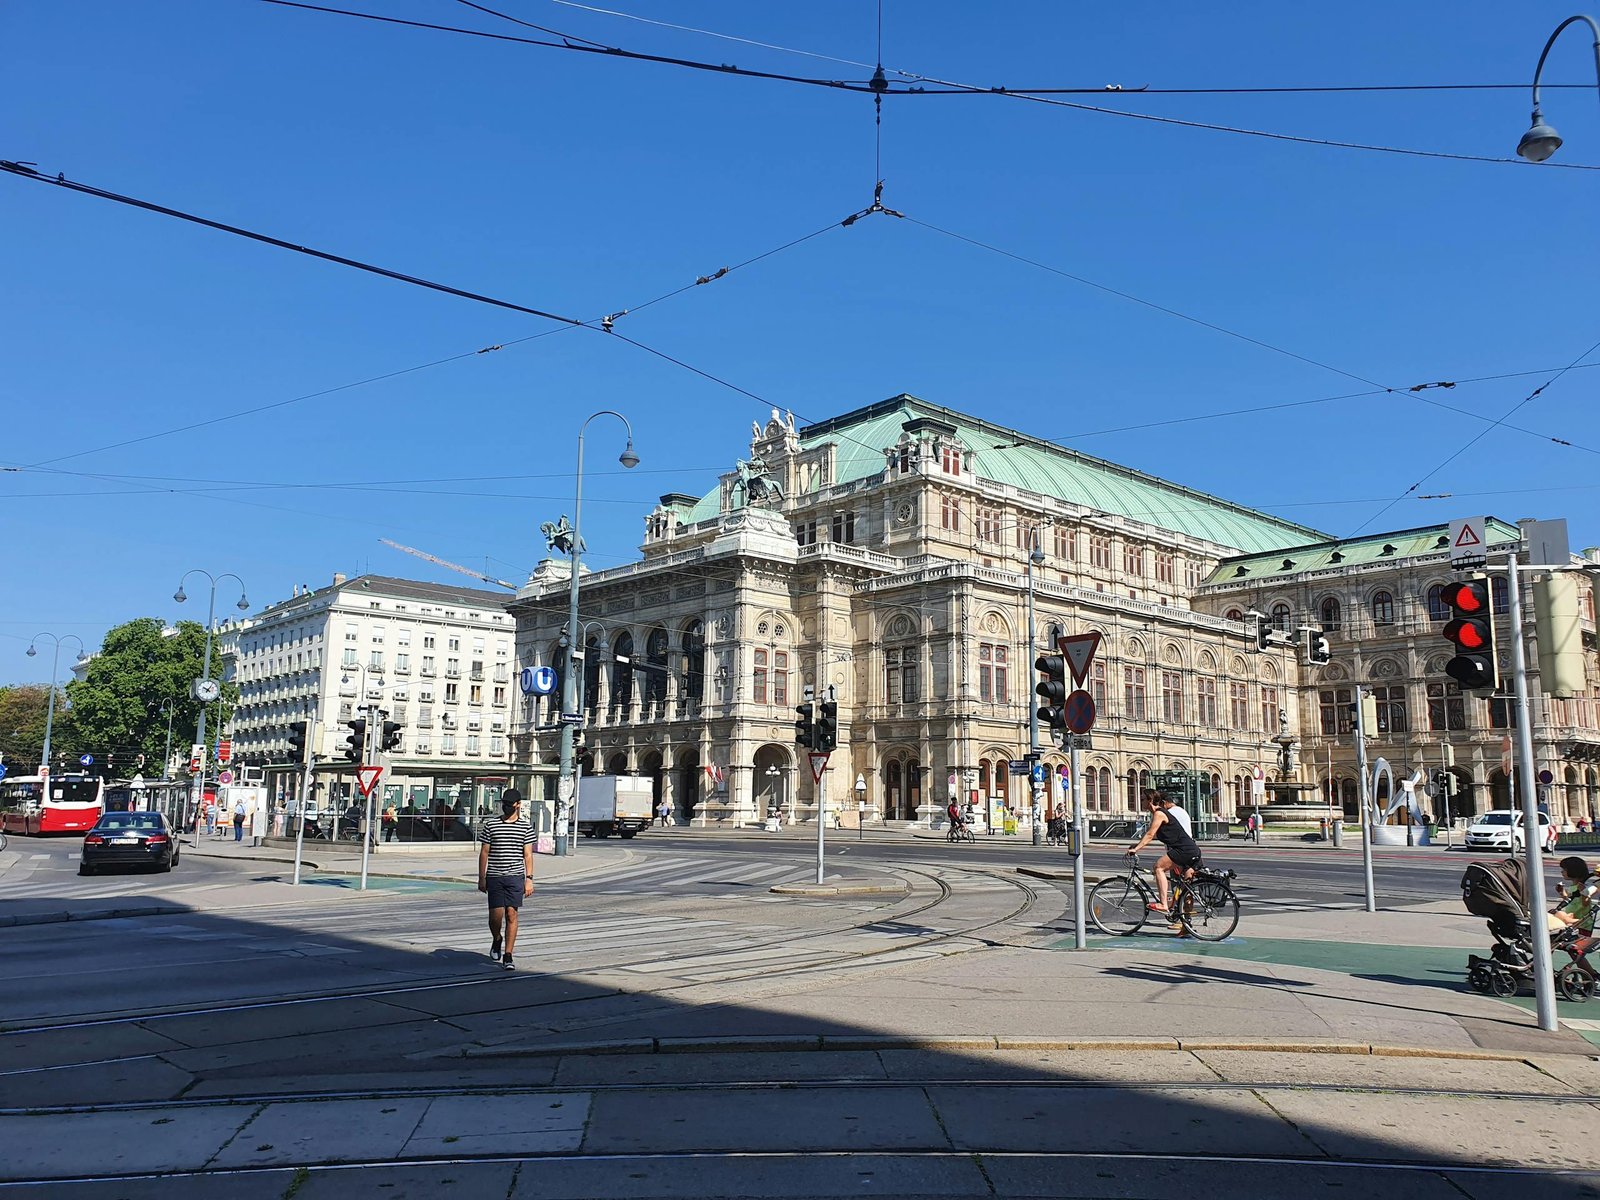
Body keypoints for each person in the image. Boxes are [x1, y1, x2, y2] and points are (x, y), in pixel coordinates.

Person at [477, 788, 535, 971]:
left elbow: (528, 855)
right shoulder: (491, 825)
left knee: (512, 913)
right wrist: (481, 877)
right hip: (494, 875)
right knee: (496, 917)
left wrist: (529, 879)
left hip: (515, 876)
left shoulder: (525, 826)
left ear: (518, 805)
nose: (506, 807)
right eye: (504, 804)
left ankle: (508, 955)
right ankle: (497, 938)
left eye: (510, 804)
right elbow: (484, 852)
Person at [1128, 789, 1203, 916]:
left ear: (1150, 800)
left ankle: (1163, 904)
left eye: (1142, 800)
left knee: (1158, 867)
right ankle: (1186, 925)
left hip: (1184, 850)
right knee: (1185, 889)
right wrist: (1138, 844)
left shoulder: (1159, 814)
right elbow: (1156, 835)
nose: (1141, 802)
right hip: (1190, 850)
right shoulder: (1160, 814)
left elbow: (1150, 834)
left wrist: (1136, 849)